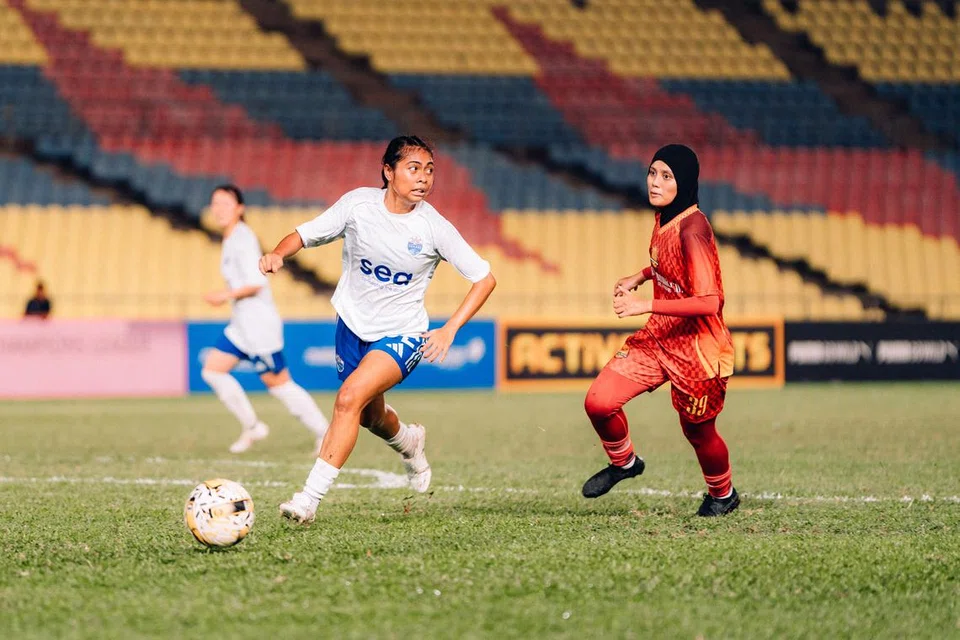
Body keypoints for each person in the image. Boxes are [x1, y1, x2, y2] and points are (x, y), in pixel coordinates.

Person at [259, 135, 497, 524]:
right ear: (388, 171)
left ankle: (308, 499)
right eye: (414, 168)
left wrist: (450, 329)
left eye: (430, 170)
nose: (424, 178)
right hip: (352, 326)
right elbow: (304, 234)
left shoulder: (434, 228)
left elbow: (484, 279)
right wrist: (277, 253)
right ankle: (409, 440)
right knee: (369, 417)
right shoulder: (358, 206)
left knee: (348, 398)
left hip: (403, 334)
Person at [581, 144, 740, 517]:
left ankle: (723, 494)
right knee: (599, 402)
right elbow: (670, 266)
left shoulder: (694, 227)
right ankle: (625, 463)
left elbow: (709, 302)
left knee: (698, 433)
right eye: (653, 173)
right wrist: (641, 275)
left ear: (683, 182)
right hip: (659, 337)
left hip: (698, 348)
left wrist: (644, 304)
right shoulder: (666, 217)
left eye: (666, 176)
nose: (655, 182)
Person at [201, 184, 330, 455]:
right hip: (241, 325)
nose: (219, 209)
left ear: (239, 208)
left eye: (225, 203)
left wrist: (224, 295)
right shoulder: (231, 237)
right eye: (215, 203)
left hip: (259, 325)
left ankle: (324, 432)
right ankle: (252, 426)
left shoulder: (243, 238)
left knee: (279, 384)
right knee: (212, 370)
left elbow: (256, 282)